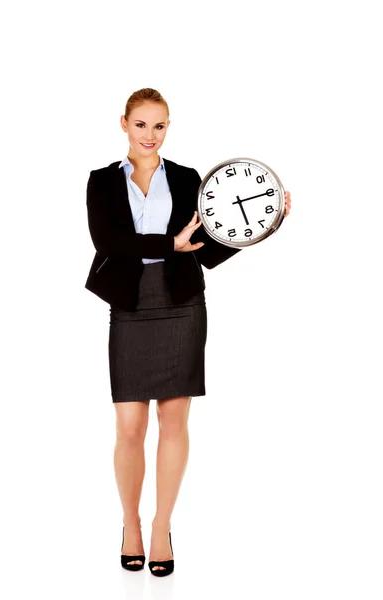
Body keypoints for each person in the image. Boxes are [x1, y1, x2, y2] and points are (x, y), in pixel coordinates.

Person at [85, 87, 292, 577]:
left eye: (159, 125)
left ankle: (161, 528)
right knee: (130, 427)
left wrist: (267, 224)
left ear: (168, 127)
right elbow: (108, 240)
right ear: (123, 124)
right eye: (141, 125)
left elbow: (207, 248)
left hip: (182, 305)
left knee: (174, 424)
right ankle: (130, 524)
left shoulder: (184, 178)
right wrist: (167, 243)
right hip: (130, 305)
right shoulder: (101, 181)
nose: (150, 135)